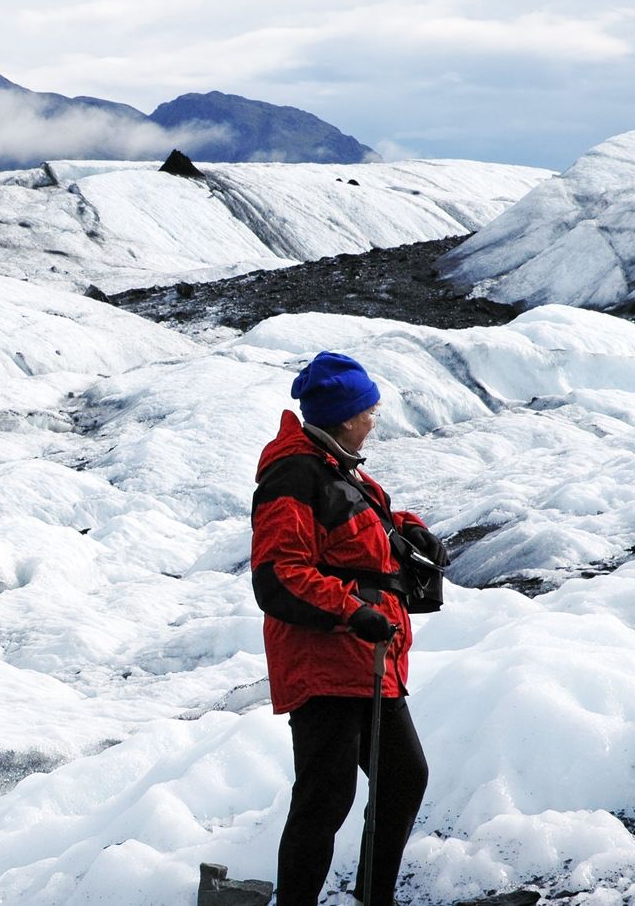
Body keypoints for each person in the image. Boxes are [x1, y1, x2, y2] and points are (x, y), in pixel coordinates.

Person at [250, 351, 447, 906]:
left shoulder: (334, 465)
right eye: (369, 410)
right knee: (325, 797)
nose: (375, 418)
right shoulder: (295, 472)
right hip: (325, 662)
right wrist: (352, 610)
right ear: (345, 416)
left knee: (402, 780)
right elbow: (279, 573)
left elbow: (352, 532)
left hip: (366, 661)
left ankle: (372, 897)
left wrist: (408, 530)